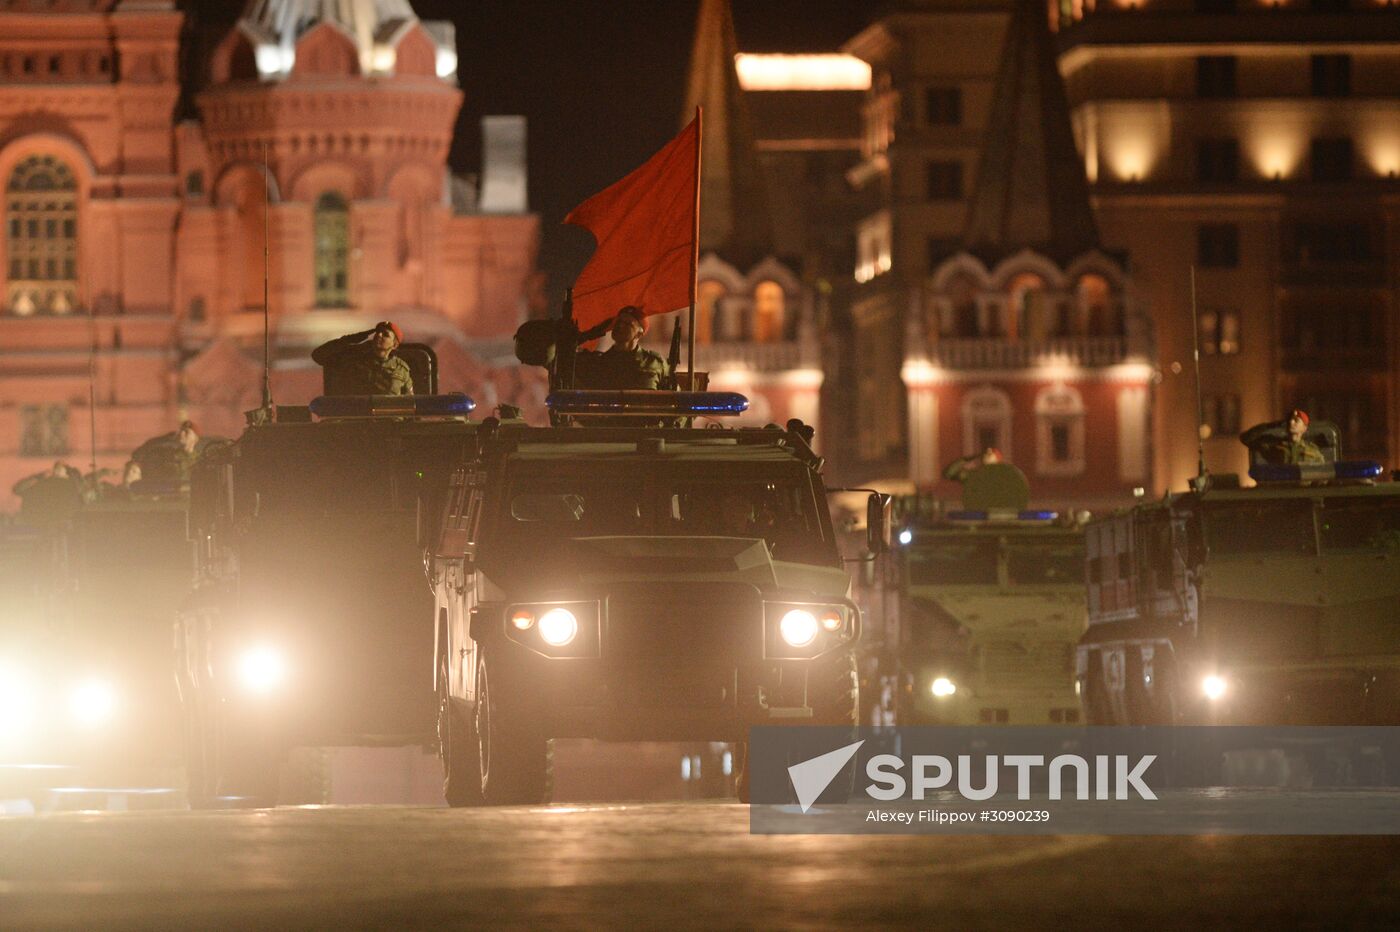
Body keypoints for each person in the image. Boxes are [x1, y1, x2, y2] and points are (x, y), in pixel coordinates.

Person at [574, 306, 668, 391]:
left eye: (628, 324)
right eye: (618, 322)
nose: (620, 326)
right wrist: (590, 333)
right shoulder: (599, 362)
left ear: (639, 334)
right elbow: (569, 357)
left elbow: (671, 395)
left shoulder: (654, 362)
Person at [311, 321, 414, 396]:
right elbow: (318, 355)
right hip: (361, 416)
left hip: (391, 418)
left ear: (394, 345)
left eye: (385, 335)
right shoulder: (354, 360)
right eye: (378, 332)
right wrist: (347, 340)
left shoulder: (402, 369)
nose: (379, 335)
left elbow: (410, 401)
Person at [1240, 409, 1325, 466]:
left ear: (1304, 428)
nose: (1291, 422)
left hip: (1304, 487)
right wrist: (1270, 425)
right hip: (1281, 486)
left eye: (1296, 420)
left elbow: (1321, 473)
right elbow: (1245, 438)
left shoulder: (1312, 451)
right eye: (1289, 420)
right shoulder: (1273, 445)